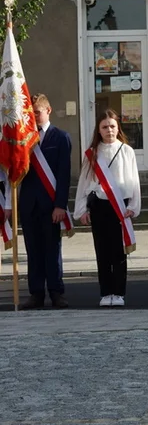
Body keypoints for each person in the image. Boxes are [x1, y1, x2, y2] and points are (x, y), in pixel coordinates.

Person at [73, 110, 141, 307]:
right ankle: (106, 292)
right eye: (105, 127)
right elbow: (84, 183)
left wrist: (133, 206)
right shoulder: (93, 153)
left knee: (119, 251)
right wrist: (82, 210)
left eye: (112, 126)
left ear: (118, 127)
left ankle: (119, 292)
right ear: (99, 130)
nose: (109, 130)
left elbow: (134, 181)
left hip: (120, 205)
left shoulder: (127, 151)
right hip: (100, 205)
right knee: (102, 250)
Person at [18, 94, 72, 309]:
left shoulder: (61, 137)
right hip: (29, 204)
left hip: (51, 204)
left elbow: (64, 174)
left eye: (37, 113)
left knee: (52, 249)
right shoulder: (24, 138)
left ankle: (56, 292)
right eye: (30, 114)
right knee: (33, 250)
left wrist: (60, 204)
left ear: (48, 111)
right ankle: (36, 293)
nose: (34, 117)